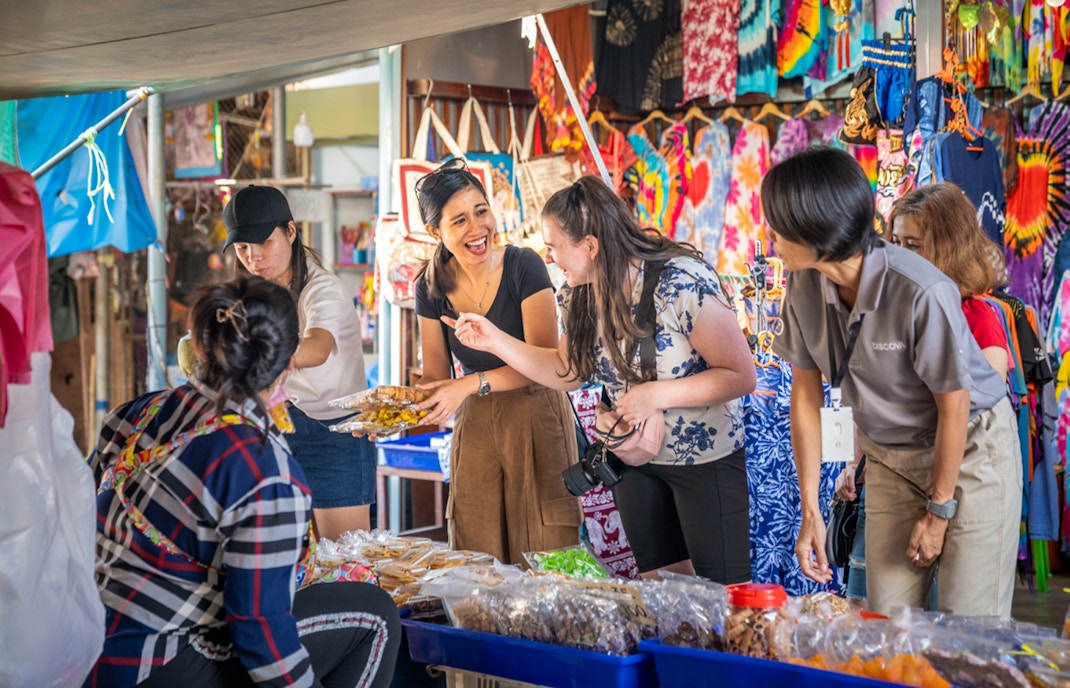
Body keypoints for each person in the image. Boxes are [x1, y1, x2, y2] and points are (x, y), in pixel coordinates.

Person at [85, 277, 400, 688]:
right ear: (289, 363)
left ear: (202, 346)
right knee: (373, 614)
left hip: (86, 646)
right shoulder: (264, 469)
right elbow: (259, 634)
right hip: (159, 666)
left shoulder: (138, 413)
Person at [450, 175, 756, 583]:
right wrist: (495, 342)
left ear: (590, 246)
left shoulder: (680, 282)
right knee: (663, 592)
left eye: (554, 245)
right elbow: (568, 371)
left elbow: (741, 375)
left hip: (702, 458)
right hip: (633, 459)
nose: (549, 256)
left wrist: (654, 395)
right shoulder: (580, 292)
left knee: (726, 596)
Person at [764, 147, 1021, 618]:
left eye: (778, 224)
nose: (771, 236)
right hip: (890, 457)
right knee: (887, 622)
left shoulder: (921, 290)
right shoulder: (802, 285)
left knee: (970, 628)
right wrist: (810, 509)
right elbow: (804, 397)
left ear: (817, 226)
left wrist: (939, 511)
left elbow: (955, 406)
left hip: (969, 450)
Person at [838, 182, 1014, 606]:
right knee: (887, 612)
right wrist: (855, 459)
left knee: (968, 616)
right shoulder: (887, 305)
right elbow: (879, 397)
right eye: (894, 241)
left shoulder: (979, 315)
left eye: (912, 244)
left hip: (963, 463)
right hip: (902, 465)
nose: (897, 253)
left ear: (949, 247)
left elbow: (966, 407)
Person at [410, 157, 583, 566]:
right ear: (435, 232)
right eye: (459, 221)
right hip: (477, 429)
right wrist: (395, 414)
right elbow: (437, 378)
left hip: (537, 415)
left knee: (546, 555)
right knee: (476, 556)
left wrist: (470, 384)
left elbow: (543, 361)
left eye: (481, 211)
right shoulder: (430, 287)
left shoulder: (524, 265)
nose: (477, 229)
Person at [224, 184, 372, 540]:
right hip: (278, 428)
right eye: (243, 248)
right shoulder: (254, 293)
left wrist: (258, 352)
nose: (254, 257)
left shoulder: (323, 289)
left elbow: (317, 347)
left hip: (335, 432)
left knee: (344, 565)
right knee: (294, 563)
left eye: (264, 243)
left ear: (290, 231)